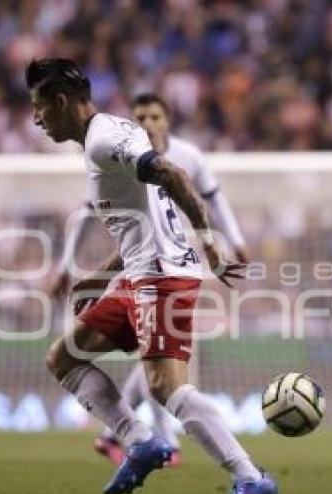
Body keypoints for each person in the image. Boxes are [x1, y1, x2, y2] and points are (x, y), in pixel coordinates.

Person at [28, 58, 277, 494]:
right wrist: (101, 276)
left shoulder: (105, 139)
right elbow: (139, 221)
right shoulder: (103, 140)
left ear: (61, 102)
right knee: (64, 357)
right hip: (138, 274)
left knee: (166, 388)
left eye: (39, 107)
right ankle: (140, 441)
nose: (36, 118)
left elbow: (175, 176)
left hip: (162, 275)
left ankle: (250, 478)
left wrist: (211, 245)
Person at [48, 92, 250, 466]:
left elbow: (209, 198)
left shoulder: (178, 158)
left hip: (168, 269)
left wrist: (225, 243)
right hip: (140, 273)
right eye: (140, 116)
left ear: (168, 119)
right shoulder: (122, 155)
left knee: (163, 379)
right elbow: (120, 228)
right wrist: (87, 274)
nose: (147, 123)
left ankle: (240, 472)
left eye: (154, 115)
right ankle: (142, 439)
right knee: (76, 357)